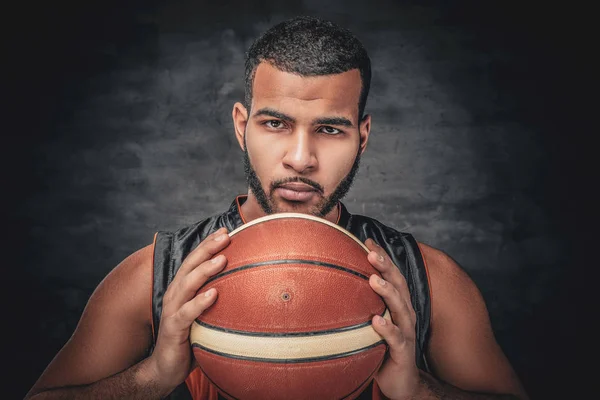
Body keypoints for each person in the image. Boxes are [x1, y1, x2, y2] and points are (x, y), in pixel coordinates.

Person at [25, 16, 529, 400]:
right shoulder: (157, 275)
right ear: (242, 125)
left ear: (364, 135)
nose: (300, 158)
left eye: (330, 129)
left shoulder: (427, 279)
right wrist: (155, 374)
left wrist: (417, 391)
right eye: (275, 124)